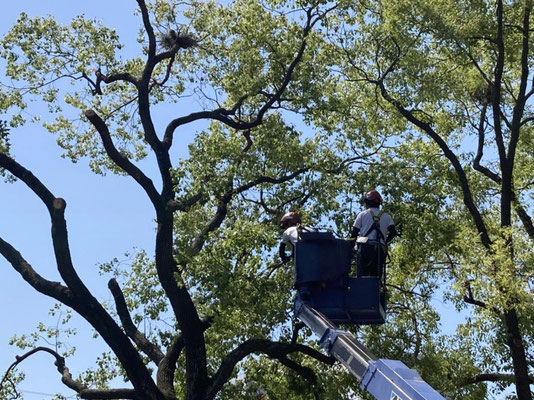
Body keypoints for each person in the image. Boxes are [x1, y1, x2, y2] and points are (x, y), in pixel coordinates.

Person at [350, 190, 397, 276]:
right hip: (379, 250)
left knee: (362, 276)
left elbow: (354, 234)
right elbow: (393, 232)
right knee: (376, 276)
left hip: (365, 249)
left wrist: (350, 249)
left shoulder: (362, 215)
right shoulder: (387, 216)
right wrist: (385, 242)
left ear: (367, 202)